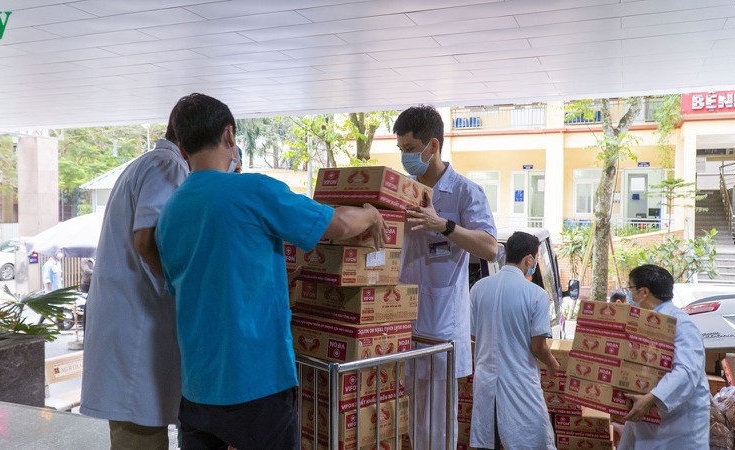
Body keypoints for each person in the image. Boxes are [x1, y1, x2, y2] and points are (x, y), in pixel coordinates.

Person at [154, 93, 386, 450]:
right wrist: (371, 213)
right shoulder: (252, 191)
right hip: (257, 383)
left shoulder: (170, 213)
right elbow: (337, 224)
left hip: (197, 388)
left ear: (181, 149)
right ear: (230, 136)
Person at [80, 98, 190, 450]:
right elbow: (146, 239)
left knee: (134, 433)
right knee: (139, 438)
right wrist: (183, 289)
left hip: (127, 325)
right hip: (136, 329)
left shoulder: (146, 163)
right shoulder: (166, 164)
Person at [394, 104, 498, 448]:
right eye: (401, 150)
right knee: (415, 422)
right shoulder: (403, 192)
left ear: (432, 146)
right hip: (405, 323)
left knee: (439, 426)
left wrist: (445, 226)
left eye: (410, 149)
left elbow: (489, 247)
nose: (405, 157)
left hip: (442, 328)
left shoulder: (466, 192)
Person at [469, 231, 559, 449]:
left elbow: (473, 336)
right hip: (520, 383)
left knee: (488, 439)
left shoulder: (479, 288)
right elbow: (538, 346)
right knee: (531, 439)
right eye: (535, 259)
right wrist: (554, 365)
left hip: (485, 381)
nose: (535, 263)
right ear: (529, 259)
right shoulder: (536, 295)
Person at [619, 264, 709, 449]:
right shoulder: (644, 323)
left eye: (630, 289)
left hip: (679, 428)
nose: (628, 295)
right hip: (647, 420)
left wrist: (652, 398)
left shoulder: (682, 325)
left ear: (643, 292)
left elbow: (686, 371)